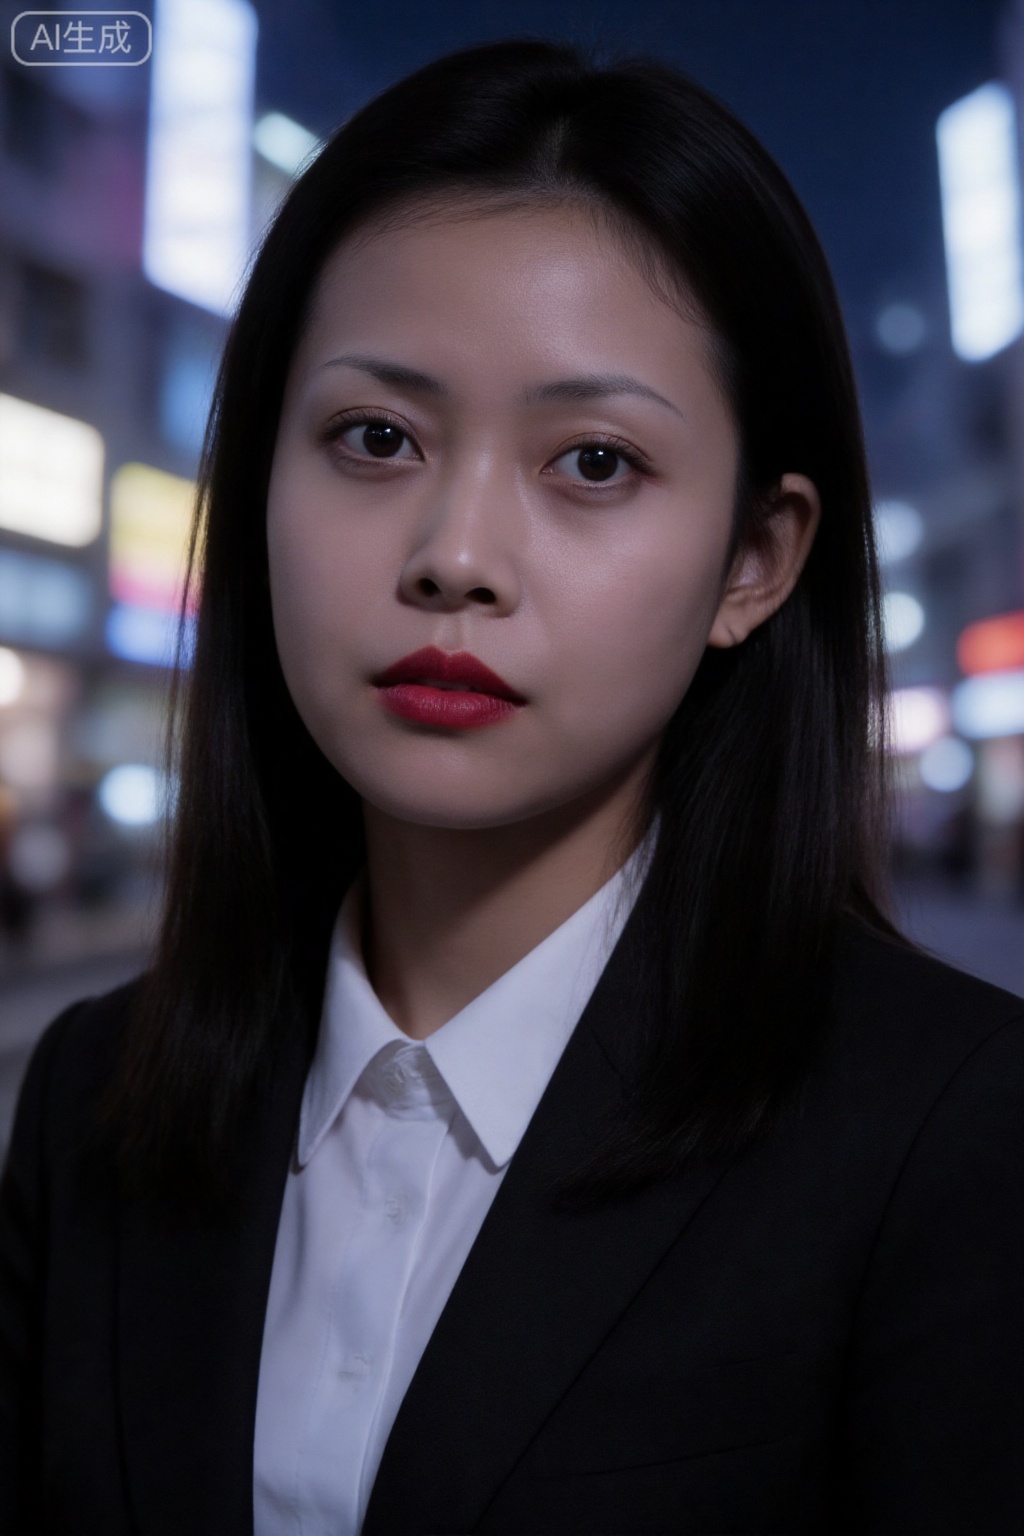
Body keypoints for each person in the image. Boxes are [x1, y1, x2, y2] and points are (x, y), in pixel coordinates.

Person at [0, 35, 1020, 1536]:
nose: (456, 553)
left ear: (758, 560)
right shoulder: (97, 1094)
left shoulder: (954, 1129)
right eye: (374, 436)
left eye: (593, 462)